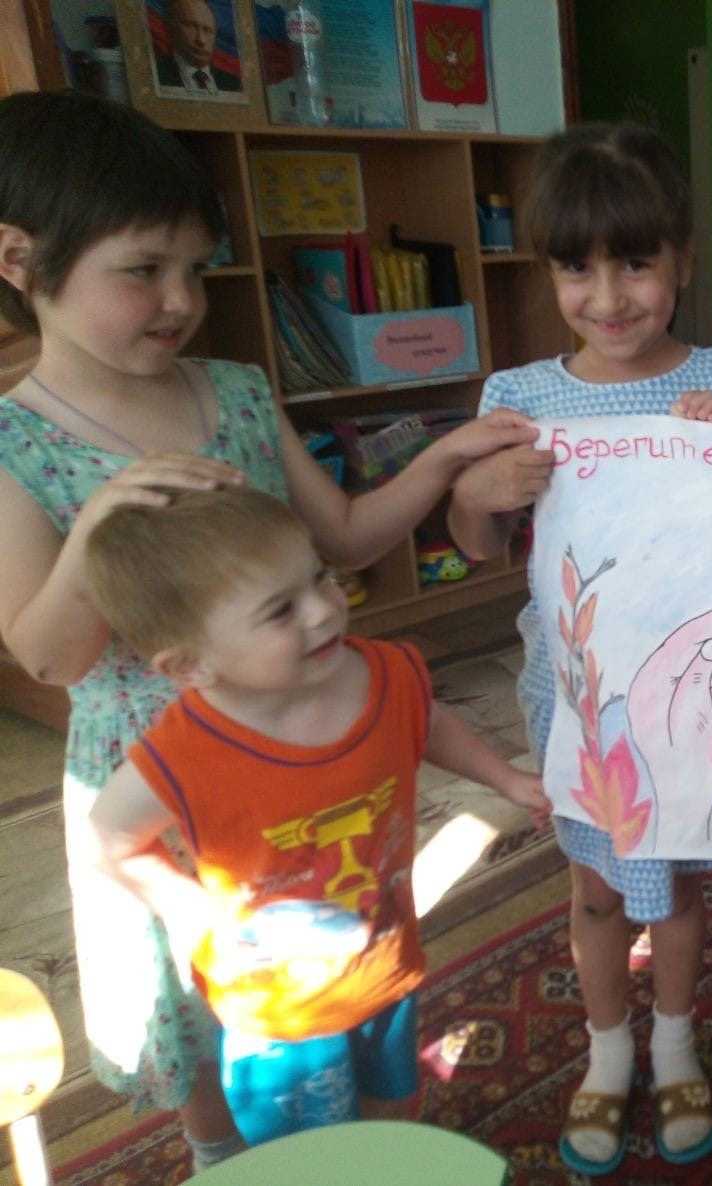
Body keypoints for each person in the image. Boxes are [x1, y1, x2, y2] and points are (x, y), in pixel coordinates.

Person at [0, 90, 537, 1169]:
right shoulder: (16, 442)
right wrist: (97, 528)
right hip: (161, 783)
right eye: (142, 269)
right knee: (193, 1007)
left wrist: (440, 460)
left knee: (337, 964)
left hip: (304, 744)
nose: (180, 300)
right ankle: (222, 1159)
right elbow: (50, 656)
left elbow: (343, 535)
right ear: (20, 260)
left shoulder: (238, 393)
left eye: (195, 269)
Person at [446, 121, 712, 1176]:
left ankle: (674, 1044)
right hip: (575, 696)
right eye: (576, 269)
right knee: (594, 885)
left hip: (683, 696)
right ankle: (607, 1054)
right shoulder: (517, 397)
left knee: (671, 882)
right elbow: (477, 545)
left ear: (681, 258)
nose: (609, 296)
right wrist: (478, 494)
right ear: (547, 272)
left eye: (636, 263)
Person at [80, 487, 551, 1145]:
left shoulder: (382, 672)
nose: (325, 608)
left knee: (391, 1113)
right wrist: (191, 912)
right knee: (310, 1152)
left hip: (384, 964)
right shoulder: (184, 753)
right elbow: (109, 836)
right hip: (279, 1013)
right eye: (281, 609)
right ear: (190, 665)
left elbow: (425, 721)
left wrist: (506, 778)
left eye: (320, 577)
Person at [153, 0, 241, 95]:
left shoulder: (234, 85)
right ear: (170, 28)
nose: (201, 40)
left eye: (207, 30)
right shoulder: (155, 75)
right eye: (191, 26)